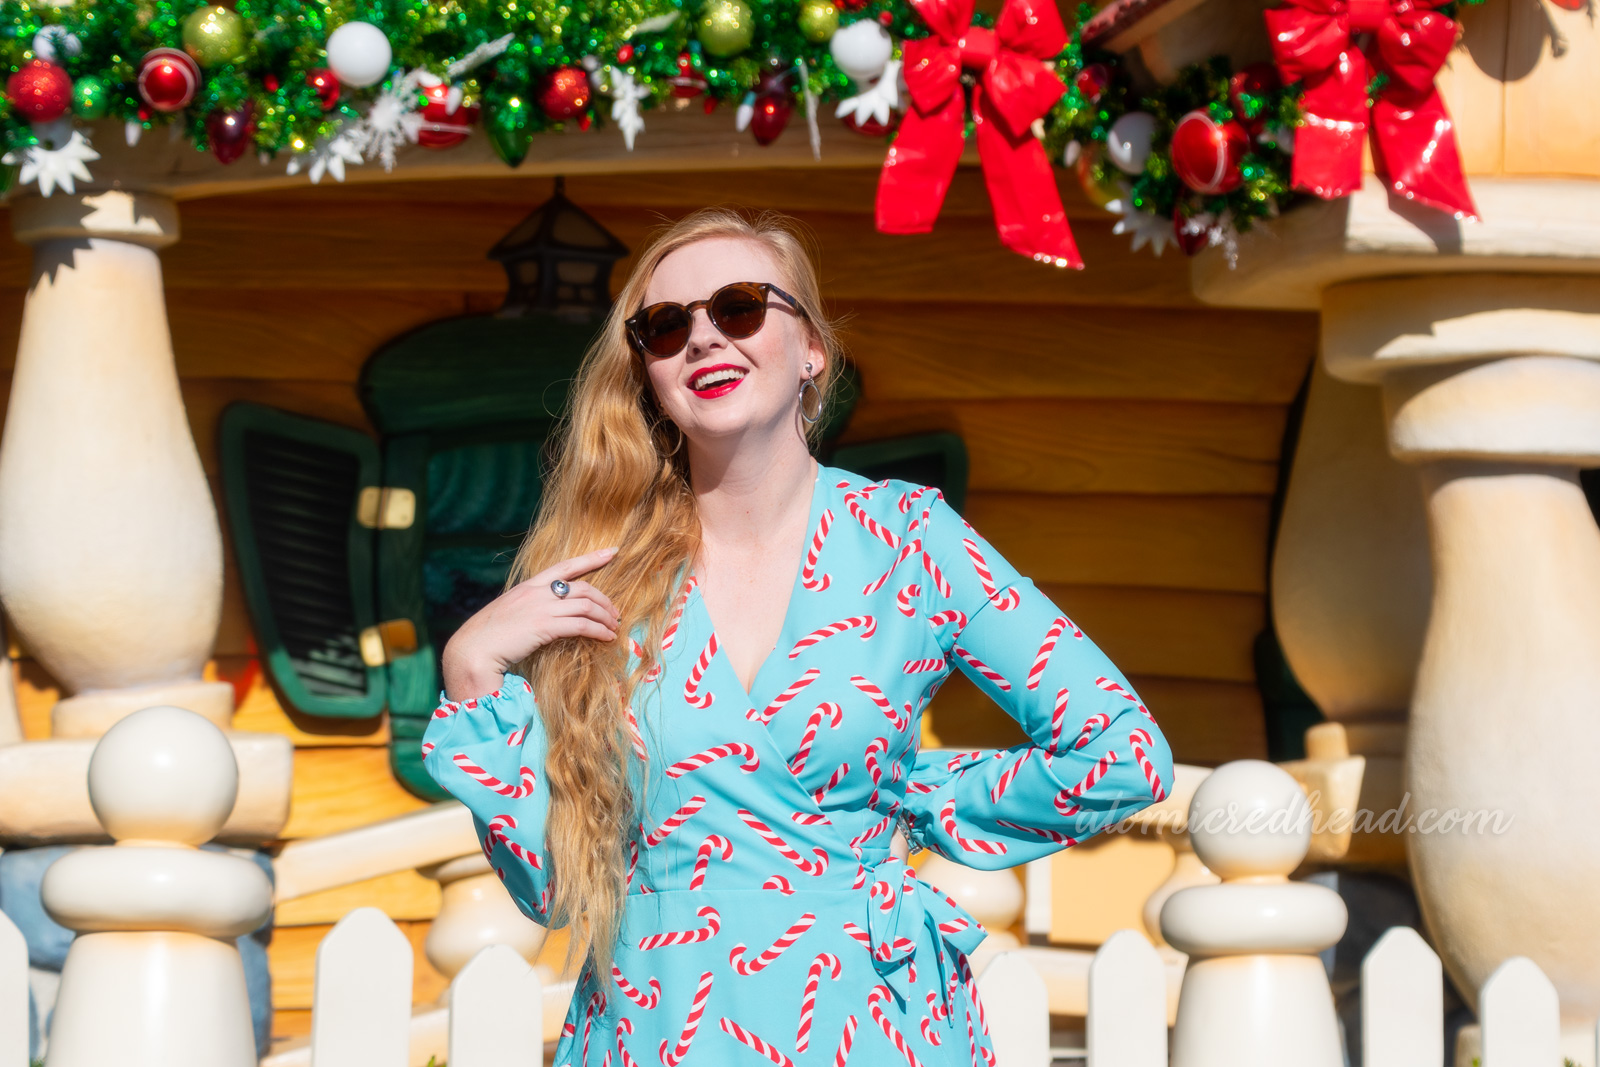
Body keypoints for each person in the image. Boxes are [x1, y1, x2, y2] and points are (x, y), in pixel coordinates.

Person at [423, 207, 1174, 1067]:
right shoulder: (602, 576)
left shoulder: (909, 539)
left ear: (812, 346)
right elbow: (554, 886)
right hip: (658, 1029)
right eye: (666, 327)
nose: (703, 338)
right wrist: (472, 667)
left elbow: (1121, 751)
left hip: (870, 1026)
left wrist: (908, 800)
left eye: (738, 307)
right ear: (645, 372)